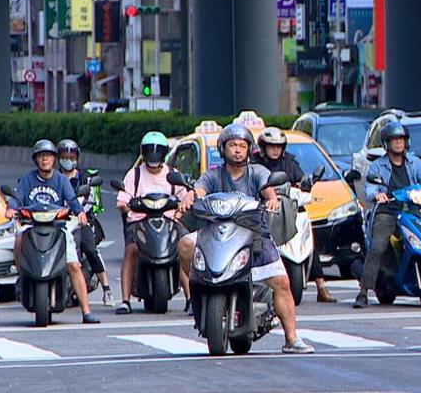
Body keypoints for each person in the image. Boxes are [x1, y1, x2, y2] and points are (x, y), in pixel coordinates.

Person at [178, 124, 314, 354]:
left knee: (281, 282)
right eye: (232, 145)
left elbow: (268, 188)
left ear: (249, 150)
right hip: (217, 233)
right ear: (223, 149)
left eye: (242, 146)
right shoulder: (213, 174)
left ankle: (292, 338)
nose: (238, 150)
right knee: (185, 244)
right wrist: (190, 198)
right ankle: (196, 289)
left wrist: (271, 199)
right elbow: (198, 190)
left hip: (255, 234)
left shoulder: (257, 172)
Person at [353, 121, 421, 308]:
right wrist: (377, 194)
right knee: (378, 245)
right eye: (394, 140)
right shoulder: (377, 166)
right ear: (386, 143)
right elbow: (370, 188)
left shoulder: (414, 162)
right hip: (389, 211)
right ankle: (364, 291)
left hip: (413, 209)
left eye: (401, 139)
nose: (398, 143)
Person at [6, 139, 100, 324]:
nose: (44, 160)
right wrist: (11, 208)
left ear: (54, 159)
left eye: (48, 156)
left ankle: (86, 311)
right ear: (36, 160)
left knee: (73, 264)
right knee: (18, 239)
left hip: (58, 228)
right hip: (32, 225)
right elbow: (17, 198)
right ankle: (22, 273)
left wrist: (80, 213)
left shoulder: (61, 180)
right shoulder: (27, 179)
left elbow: (72, 201)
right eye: (41, 157)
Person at [252, 126, 337, 303]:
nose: (276, 150)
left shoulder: (289, 161)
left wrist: (305, 182)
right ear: (263, 147)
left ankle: (321, 286)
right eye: (271, 146)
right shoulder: (255, 164)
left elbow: (300, 178)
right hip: (264, 210)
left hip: (289, 208)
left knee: (308, 241)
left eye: (279, 146)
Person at [114, 131, 189, 314]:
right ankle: (125, 300)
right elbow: (124, 195)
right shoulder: (135, 174)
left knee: (183, 249)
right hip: (139, 221)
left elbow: (185, 195)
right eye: (149, 150)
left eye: (157, 151)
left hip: (169, 220)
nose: (153, 155)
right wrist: (123, 204)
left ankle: (191, 297)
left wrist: (184, 205)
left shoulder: (173, 174)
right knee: (131, 250)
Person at [57, 139, 115, 307]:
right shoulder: (54, 178)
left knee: (90, 248)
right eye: (64, 156)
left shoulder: (85, 180)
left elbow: (91, 201)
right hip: (57, 222)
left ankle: (106, 289)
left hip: (80, 221)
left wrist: (81, 213)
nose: (68, 160)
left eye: (71, 156)